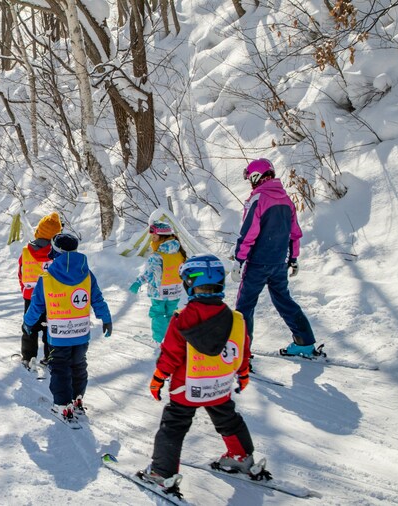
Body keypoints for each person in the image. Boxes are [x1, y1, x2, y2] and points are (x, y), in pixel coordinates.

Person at [142, 254, 258, 495]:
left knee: (173, 426)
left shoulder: (182, 318)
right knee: (228, 418)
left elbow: (171, 355)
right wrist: (244, 374)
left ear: (188, 285)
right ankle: (242, 456)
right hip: (219, 387)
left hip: (187, 389)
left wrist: (158, 379)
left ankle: (162, 472)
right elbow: (243, 349)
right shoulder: (236, 319)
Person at [23, 233, 112, 424]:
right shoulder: (87, 274)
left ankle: (62, 405)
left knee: (60, 367)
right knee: (79, 364)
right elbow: (97, 298)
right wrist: (106, 318)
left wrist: (28, 323)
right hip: (80, 333)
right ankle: (77, 397)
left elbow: (36, 305)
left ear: (55, 251)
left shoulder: (47, 278)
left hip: (58, 334)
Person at [232, 158, 316, 357]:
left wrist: (238, 260)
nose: (250, 183)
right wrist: (293, 258)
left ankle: (241, 354)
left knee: (244, 306)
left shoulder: (258, 199)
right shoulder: (287, 200)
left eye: (250, 178)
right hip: (279, 263)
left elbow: (249, 233)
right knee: (283, 300)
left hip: (257, 264)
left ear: (256, 176)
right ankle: (304, 342)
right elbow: (294, 233)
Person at [129, 220, 187, 344]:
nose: (152, 240)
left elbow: (150, 274)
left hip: (159, 292)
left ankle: (158, 340)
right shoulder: (180, 252)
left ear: (162, 237)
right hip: (175, 291)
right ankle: (173, 338)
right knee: (172, 314)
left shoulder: (157, 256)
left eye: (154, 237)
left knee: (158, 314)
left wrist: (138, 282)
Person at [17, 212, 62, 370]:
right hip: (52, 298)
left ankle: (28, 357)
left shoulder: (26, 251)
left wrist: (25, 290)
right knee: (51, 328)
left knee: (29, 327)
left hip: (30, 297)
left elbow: (21, 273)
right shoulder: (58, 255)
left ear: (38, 231)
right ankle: (50, 357)